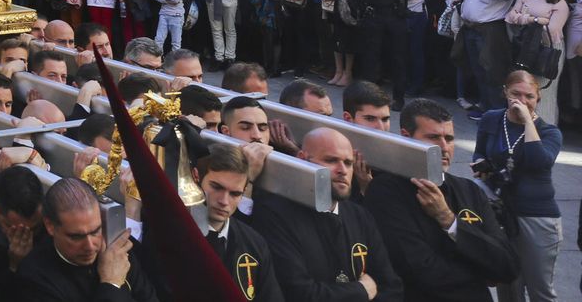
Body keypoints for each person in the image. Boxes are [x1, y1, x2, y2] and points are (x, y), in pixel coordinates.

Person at [365, 99, 517, 302]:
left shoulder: (470, 191)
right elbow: (418, 269)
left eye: (449, 138)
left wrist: (448, 219)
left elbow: (507, 265)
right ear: (406, 137)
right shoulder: (386, 191)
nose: (444, 147)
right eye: (433, 137)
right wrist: (480, 272)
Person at [254, 128, 402, 302]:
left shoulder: (359, 215)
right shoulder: (274, 215)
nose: (343, 170)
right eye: (331, 160)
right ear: (302, 159)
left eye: (348, 163)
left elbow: (391, 286)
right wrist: (361, 291)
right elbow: (299, 293)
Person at [472, 71, 562, 302]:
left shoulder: (550, 132)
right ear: (505, 92)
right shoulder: (491, 119)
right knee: (508, 287)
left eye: (529, 96)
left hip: (537, 217)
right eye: (515, 94)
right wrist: (482, 164)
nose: (521, 101)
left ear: (538, 98)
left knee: (539, 289)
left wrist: (527, 123)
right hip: (500, 213)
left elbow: (538, 161)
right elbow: (480, 150)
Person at [9, 177, 155, 302]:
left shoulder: (116, 248)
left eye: (95, 231)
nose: (90, 246)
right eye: (76, 237)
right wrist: (111, 284)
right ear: (50, 226)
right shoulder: (34, 279)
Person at [192, 145, 284, 302]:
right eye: (216, 187)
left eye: (235, 194)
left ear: (244, 190)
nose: (224, 201)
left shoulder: (254, 243)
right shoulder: (175, 234)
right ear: (196, 176)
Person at [504, 0, 571, 125]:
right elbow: (510, 16)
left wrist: (525, 19)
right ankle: (519, 125)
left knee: (542, 92)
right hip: (524, 45)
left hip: (547, 49)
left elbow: (553, 30)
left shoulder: (560, 4)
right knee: (521, 87)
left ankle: (543, 129)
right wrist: (534, 19)